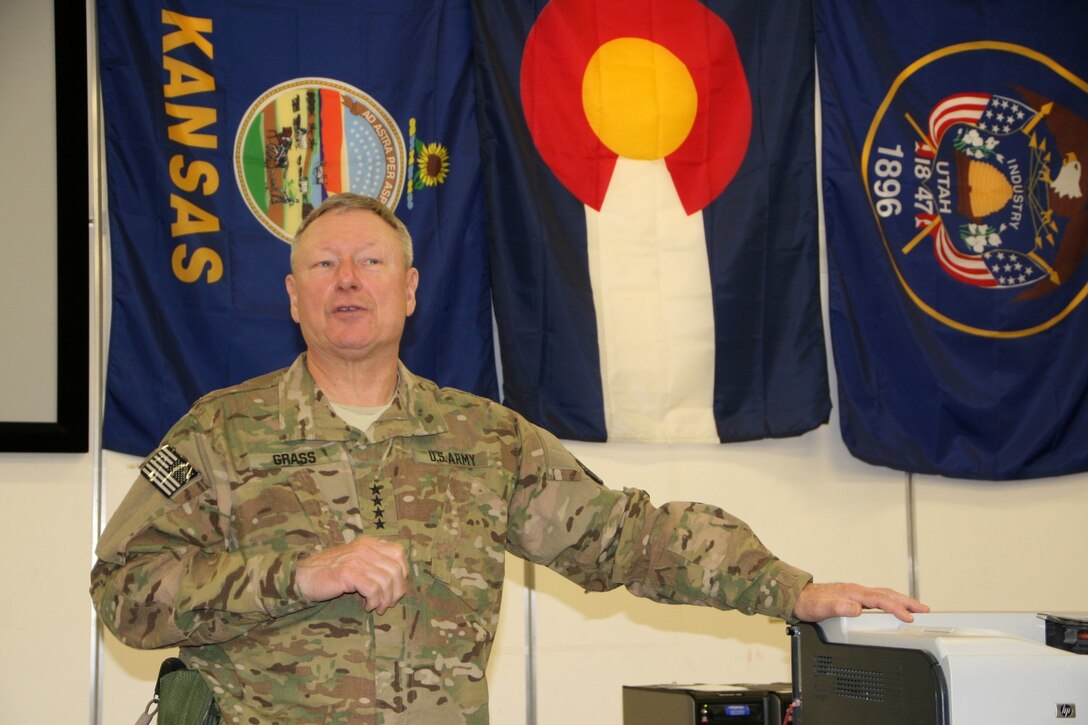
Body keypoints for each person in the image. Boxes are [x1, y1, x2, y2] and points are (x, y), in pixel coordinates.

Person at [91, 193, 926, 724]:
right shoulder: (222, 432)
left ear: (410, 289)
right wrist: (298, 574)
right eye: (323, 264)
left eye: (370, 261)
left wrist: (793, 588)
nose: (348, 279)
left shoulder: (483, 440)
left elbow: (627, 537)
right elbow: (124, 589)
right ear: (293, 294)